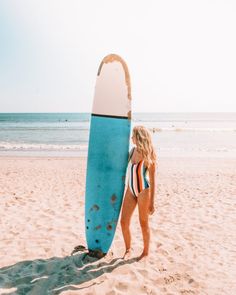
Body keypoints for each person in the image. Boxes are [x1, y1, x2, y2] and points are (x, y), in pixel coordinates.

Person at [120, 125, 157, 260]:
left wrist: (152, 203)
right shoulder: (131, 151)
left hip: (143, 191)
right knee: (124, 222)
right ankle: (128, 249)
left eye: (133, 135)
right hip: (130, 190)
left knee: (143, 223)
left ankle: (146, 252)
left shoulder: (149, 153)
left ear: (139, 137)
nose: (131, 138)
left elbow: (153, 180)